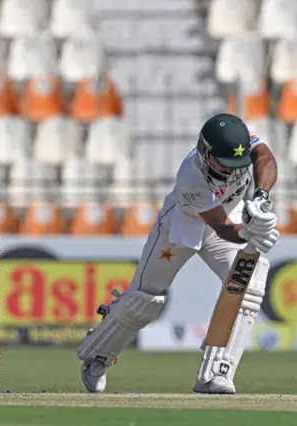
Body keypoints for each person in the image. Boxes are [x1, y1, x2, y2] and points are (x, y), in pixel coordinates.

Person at [77, 113, 280, 394]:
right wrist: (248, 233)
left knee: (249, 280)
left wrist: (261, 197)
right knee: (144, 300)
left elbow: (266, 158)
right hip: (182, 227)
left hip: (226, 217)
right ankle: (97, 353)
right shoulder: (191, 176)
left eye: (238, 164)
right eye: (224, 164)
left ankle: (217, 372)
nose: (233, 171)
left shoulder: (243, 148)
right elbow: (222, 228)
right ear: (205, 151)